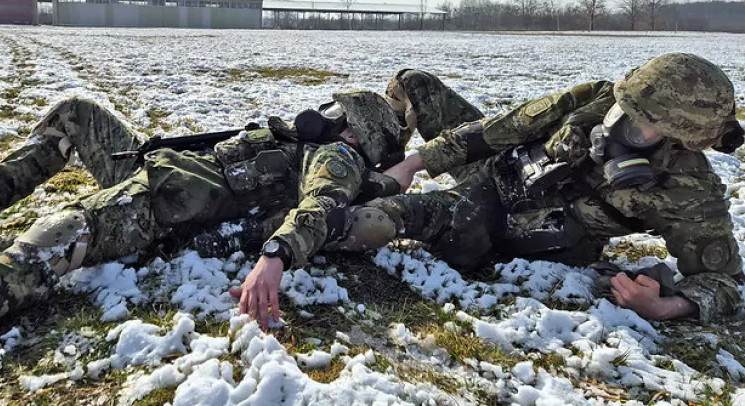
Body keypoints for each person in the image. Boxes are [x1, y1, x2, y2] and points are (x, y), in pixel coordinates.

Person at [0, 89, 411, 377]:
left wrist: (275, 255)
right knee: (74, 116)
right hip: (152, 170)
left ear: (356, 130)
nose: (322, 113)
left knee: (55, 240)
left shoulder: (339, 157)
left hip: (160, 204)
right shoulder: (305, 140)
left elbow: (323, 205)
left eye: (336, 111)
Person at [236, 53, 744, 326]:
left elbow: (725, 282)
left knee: (382, 216)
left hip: (498, 228)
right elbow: (498, 130)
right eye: (625, 109)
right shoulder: (594, 99)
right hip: (499, 172)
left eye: (642, 127)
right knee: (415, 83)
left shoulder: (688, 191)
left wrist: (665, 307)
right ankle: (362, 159)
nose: (621, 126)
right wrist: (413, 161)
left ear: (680, 140)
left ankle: (259, 229)